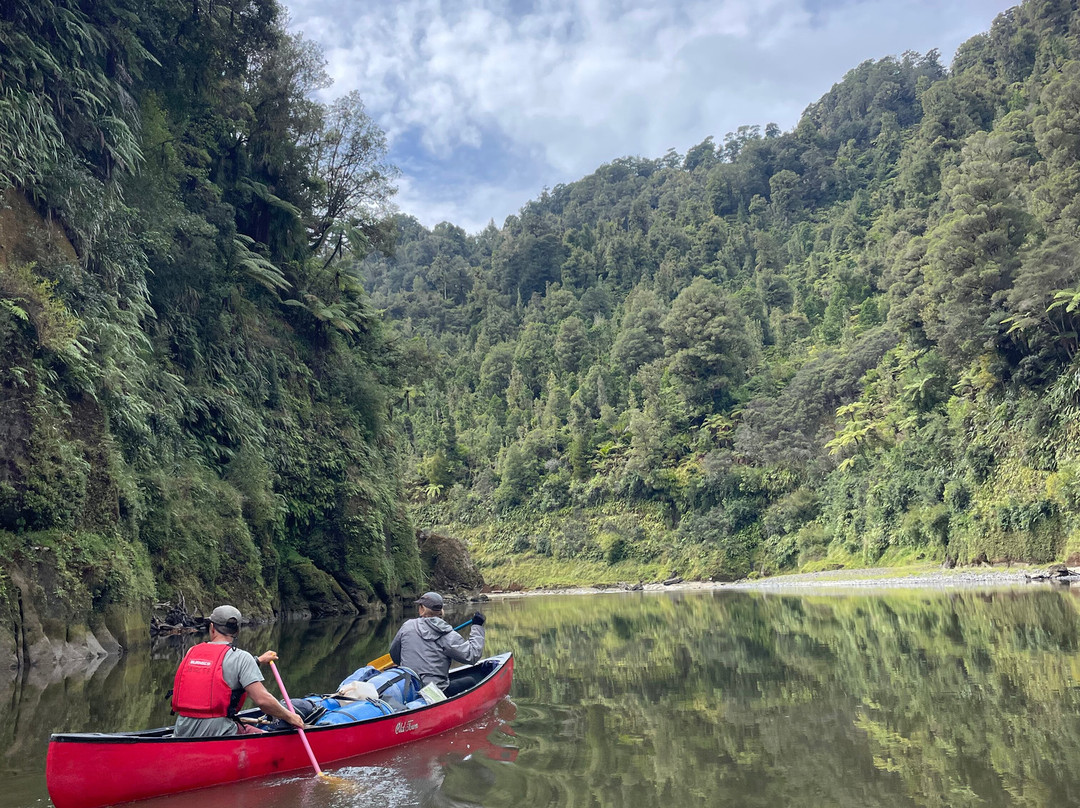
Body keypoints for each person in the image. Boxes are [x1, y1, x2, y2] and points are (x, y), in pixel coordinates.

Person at [171, 604, 306, 738]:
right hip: (219, 731)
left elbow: (218, 668)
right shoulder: (241, 657)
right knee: (265, 735)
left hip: (182, 730)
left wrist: (258, 660)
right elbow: (262, 700)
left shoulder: (191, 652)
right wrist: (290, 717)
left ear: (212, 628)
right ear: (237, 631)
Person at [389, 592, 486, 691]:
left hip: (408, 688)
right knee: (471, 681)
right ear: (441, 611)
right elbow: (472, 656)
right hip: (435, 690)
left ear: (422, 609)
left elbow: (394, 655)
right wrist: (477, 626)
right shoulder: (447, 634)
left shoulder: (407, 626)